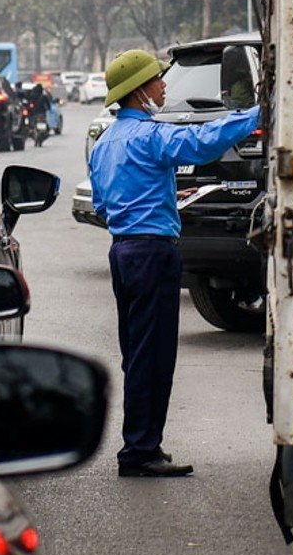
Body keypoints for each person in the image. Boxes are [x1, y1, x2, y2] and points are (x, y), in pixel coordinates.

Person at [89, 49, 262, 477]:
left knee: (137, 351)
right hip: (153, 253)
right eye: (157, 81)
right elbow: (202, 145)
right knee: (155, 352)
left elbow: (102, 204)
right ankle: (139, 451)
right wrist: (261, 113)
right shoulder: (150, 136)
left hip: (123, 251)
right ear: (138, 92)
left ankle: (142, 443)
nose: (165, 86)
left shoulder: (106, 142)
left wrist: (152, 200)